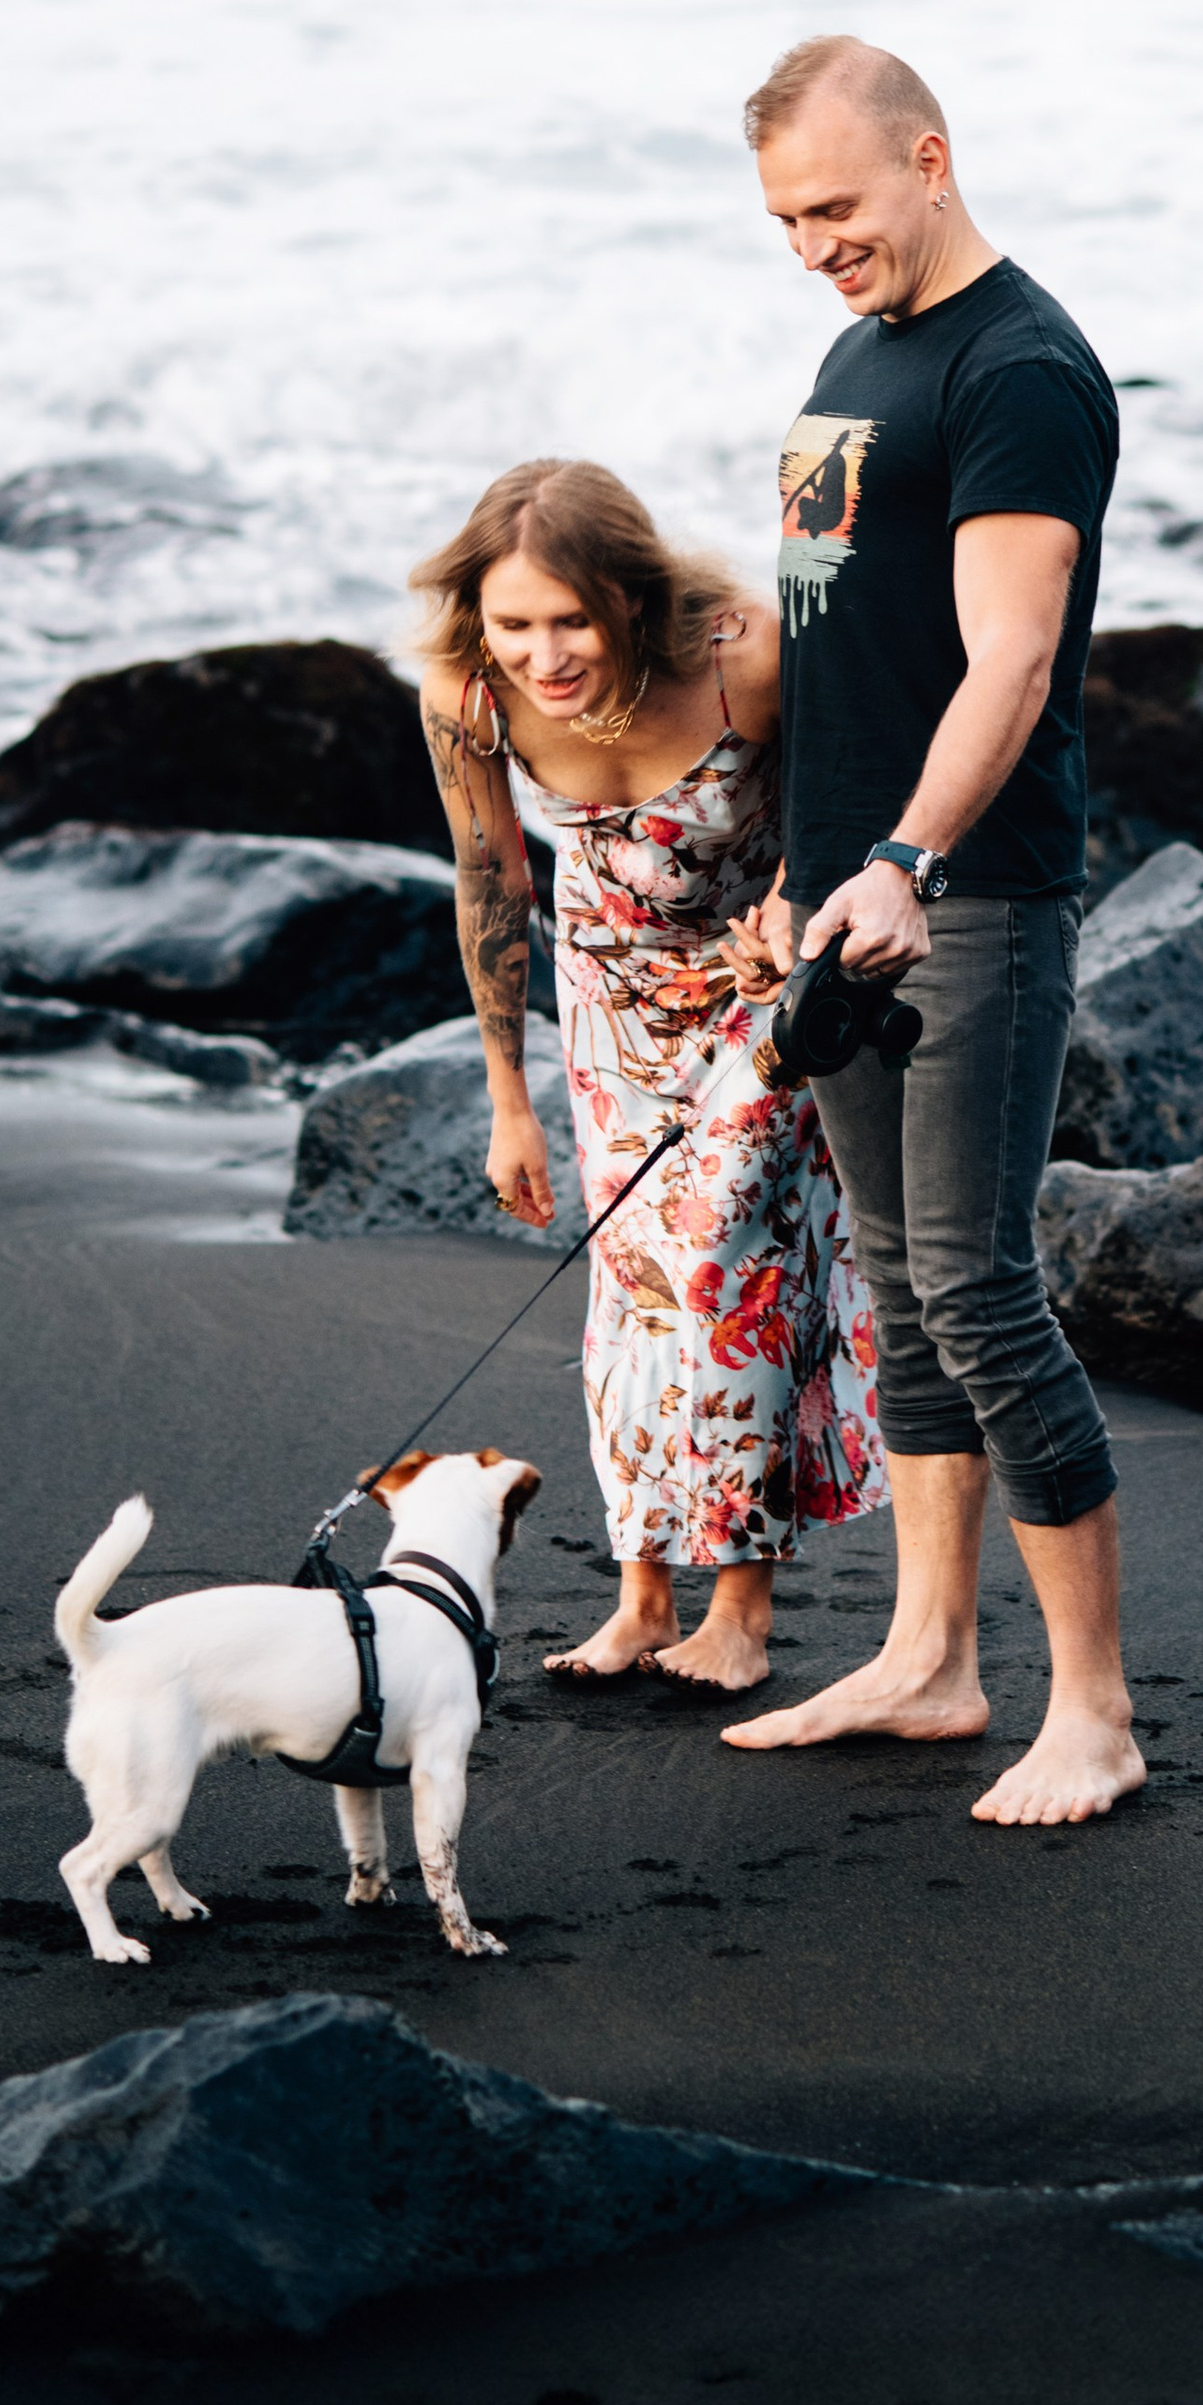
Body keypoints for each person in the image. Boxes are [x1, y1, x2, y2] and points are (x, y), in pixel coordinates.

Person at [720, 36, 1145, 1827]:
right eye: (784, 219)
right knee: (894, 1284)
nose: (813, 242)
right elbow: (847, 643)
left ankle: (1099, 1712)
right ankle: (929, 1656)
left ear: (930, 156)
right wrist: (798, 868)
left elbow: (1012, 659)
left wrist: (904, 857)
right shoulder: (854, 349)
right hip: (851, 896)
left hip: (968, 895)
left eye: (835, 203)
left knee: (975, 1285)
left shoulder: (1020, 367)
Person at [409, 458, 885, 1694]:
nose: (544, 653)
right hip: (607, 1010)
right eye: (514, 622)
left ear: (630, 594)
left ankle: (739, 1608)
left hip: (757, 1000)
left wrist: (789, 902)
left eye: (571, 618)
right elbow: (491, 885)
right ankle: (640, 1594)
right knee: (630, 1287)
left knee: (728, 1261)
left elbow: (863, 790)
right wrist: (509, 1101)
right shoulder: (468, 696)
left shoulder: (746, 660)